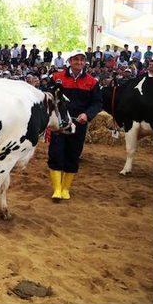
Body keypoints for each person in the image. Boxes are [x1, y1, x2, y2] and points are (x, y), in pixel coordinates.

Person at [48, 50, 102, 201]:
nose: (79, 62)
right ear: (70, 61)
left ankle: (65, 188)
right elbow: (49, 97)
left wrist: (87, 114)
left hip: (79, 124)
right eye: (76, 60)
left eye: (82, 60)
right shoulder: (56, 77)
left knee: (73, 154)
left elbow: (97, 103)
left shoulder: (92, 82)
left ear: (85, 62)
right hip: (60, 124)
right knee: (56, 153)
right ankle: (57, 189)